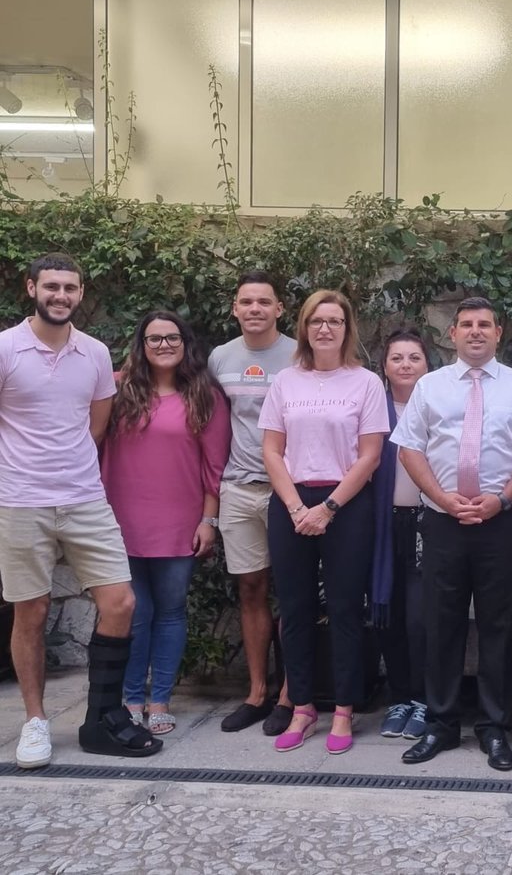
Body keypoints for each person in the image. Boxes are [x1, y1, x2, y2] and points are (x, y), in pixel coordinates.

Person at [0, 252, 160, 766]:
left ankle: (101, 719)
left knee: (120, 603)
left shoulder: (93, 353)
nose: (61, 296)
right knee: (33, 611)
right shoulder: (6, 350)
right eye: (51, 286)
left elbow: (95, 428)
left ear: (81, 293)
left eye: (70, 287)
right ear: (31, 289)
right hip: (21, 500)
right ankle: (36, 722)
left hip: (85, 497)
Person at [394, 297, 512, 771]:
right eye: (467, 325)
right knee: (440, 623)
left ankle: (492, 727)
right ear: (453, 334)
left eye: (485, 324)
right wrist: (443, 499)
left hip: (500, 521)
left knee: (496, 624)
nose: (476, 332)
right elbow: (409, 449)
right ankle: (442, 724)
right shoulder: (430, 386)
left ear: (499, 333)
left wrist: (500, 499)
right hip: (443, 520)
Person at [259, 290, 389, 754]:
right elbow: (272, 450)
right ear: (304, 327)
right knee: (293, 611)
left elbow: (370, 455)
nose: (325, 329)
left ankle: (344, 710)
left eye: (334, 321)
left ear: (346, 328)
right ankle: (302, 706)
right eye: (316, 320)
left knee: (346, 609)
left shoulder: (366, 383)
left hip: (346, 504)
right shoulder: (285, 382)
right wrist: (297, 508)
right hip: (292, 501)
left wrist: (328, 508)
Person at [101, 311, 231, 736]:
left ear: (184, 343)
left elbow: (215, 465)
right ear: (141, 344)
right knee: (134, 613)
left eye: (171, 337)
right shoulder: (117, 388)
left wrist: (208, 519)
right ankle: (132, 698)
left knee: (171, 612)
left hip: (181, 521)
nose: (163, 345)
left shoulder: (204, 395)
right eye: (154, 339)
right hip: (120, 520)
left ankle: (160, 700)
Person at [208, 270, 298, 736]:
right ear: (235, 308)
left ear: (279, 309)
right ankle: (257, 693)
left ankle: (289, 695)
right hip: (238, 488)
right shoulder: (221, 356)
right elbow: (208, 421)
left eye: (265, 301)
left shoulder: (299, 354)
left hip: (288, 490)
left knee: (293, 592)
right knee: (250, 590)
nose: (256, 309)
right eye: (247, 302)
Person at [373, 331, 434, 741]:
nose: (406, 364)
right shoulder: (373, 408)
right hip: (381, 524)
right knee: (387, 613)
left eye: (415, 357)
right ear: (385, 366)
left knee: (420, 617)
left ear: (428, 365)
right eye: (397, 357)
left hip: (427, 522)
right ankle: (399, 697)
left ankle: (426, 699)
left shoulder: (437, 406)